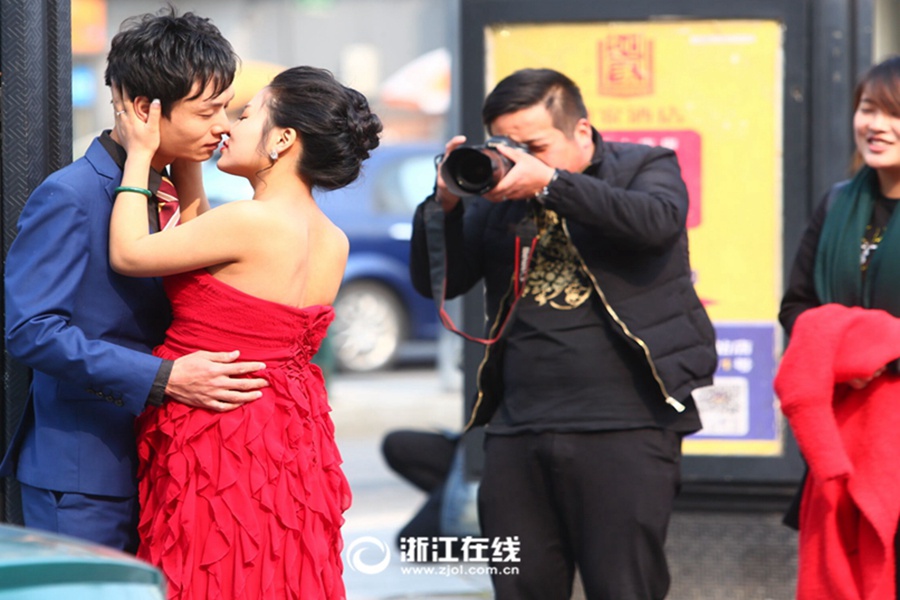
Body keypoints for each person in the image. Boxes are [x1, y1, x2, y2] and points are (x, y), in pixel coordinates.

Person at [409, 68, 717, 599]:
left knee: (623, 588)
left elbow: (656, 222)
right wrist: (446, 205)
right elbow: (444, 279)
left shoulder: (644, 166)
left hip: (625, 427)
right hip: (516, 431)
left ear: (581, 132)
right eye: (505, 144)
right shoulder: (496, 195)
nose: (518, 158)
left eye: (534, 145)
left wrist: (552, 185)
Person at [0, 9, 267, 553]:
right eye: (207, 110)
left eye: (226, 109)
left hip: (165, 459)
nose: (222, 125)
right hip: (84, 474)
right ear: (146, 109)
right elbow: (31, 330)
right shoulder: (71, 194)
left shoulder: (174, 184)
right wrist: (163, 377)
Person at [110, 65, 381, 599]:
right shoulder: (331, 238)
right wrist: (190, 169)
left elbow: (128, 252)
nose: (228, 126)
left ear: (283, 138)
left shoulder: (253, 220)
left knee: (209, 566)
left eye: (246, 113)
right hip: (288, 432)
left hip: (222, 427)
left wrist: (141, 153)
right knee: (270, 567)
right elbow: (208, 250)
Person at [777, 55, 900, 599]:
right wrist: (835, 354)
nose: (876, 125)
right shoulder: (838, 203)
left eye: (894, 114)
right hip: (844, 430)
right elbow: (797, 305)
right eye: (868, 108)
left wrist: (868, 355)